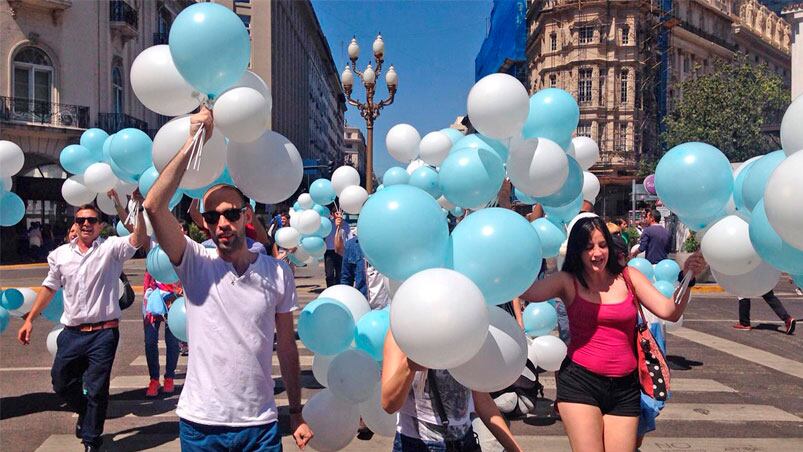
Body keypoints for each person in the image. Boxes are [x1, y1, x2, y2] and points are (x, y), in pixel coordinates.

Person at [143, 106, 312, 451]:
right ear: (204, 223)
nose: (222, 222)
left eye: (231, 213)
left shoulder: (276, 273)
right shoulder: (195, 262)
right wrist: (193, 142)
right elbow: (154, 207)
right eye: (212, 216)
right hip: (202, 425)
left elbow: (287, 348)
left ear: (245, 216)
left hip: (260, 425)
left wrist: (295, 412)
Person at [518, 216, 706, 452]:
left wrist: (687, 278)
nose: (597, 253)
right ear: (577, 251)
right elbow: (528, 291)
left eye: (602, 245)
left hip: (625, 387)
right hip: (580, 383)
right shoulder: (568, 281)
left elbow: (669, 310)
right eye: (588, 247)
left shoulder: (628, 277)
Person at [18, 197, 146, 452]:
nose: (86, 224)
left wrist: (139, 209)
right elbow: (49, 288)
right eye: (81, 220)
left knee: (98, 389)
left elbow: (138, 238)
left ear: (100, 225)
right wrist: (30, 319)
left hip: (104, 333)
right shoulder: (60, 255)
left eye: (91, 220)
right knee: (61, 382)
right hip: (72, 334)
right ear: (74, 224)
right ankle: (85, 412)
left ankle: (91, 439)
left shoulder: (111, 249)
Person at [381, 332, 524, 452]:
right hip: (417, 444)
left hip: (465, 443)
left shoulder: (466, 333)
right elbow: (389, 404)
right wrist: (409, 366)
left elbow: (480, 399)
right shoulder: (402, 333)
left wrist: (514, 448)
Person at [142, 269, 183, 397]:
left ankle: (169, 377)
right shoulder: (154, 257)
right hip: (153, 297)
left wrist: (178, 293)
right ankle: (154, 380)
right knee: (150, 341)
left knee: (172, 341)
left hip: (173, 297)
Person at [324, 210, 348, 287]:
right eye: (337, 213)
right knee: (329, 274)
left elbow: (349, 237)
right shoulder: (328, 224)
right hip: (329, 251)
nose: (339, 215)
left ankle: (339, 288)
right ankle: (330, 288)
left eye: (341, 214)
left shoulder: (345, 224)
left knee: (340, 272)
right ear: (332, 214)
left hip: (340, 251)